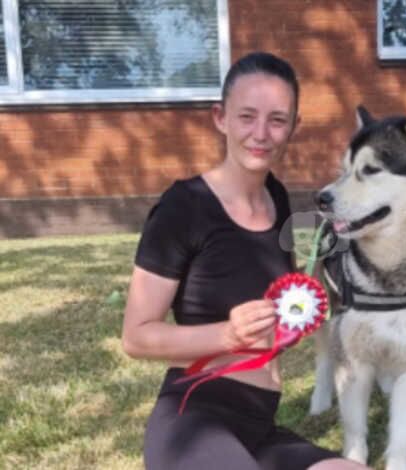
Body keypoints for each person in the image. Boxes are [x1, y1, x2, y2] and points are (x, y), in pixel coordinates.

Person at [122, 52, 369, 470]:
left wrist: (317, 288)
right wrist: (228, 335)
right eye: (246, 116)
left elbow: (281, 306)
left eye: (277, 119)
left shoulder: (275, 196)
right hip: (192, 419)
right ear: (220, 118)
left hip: (259, 425)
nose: (261, 133)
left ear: (294, 127)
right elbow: (136, 337)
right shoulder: (183, 207)